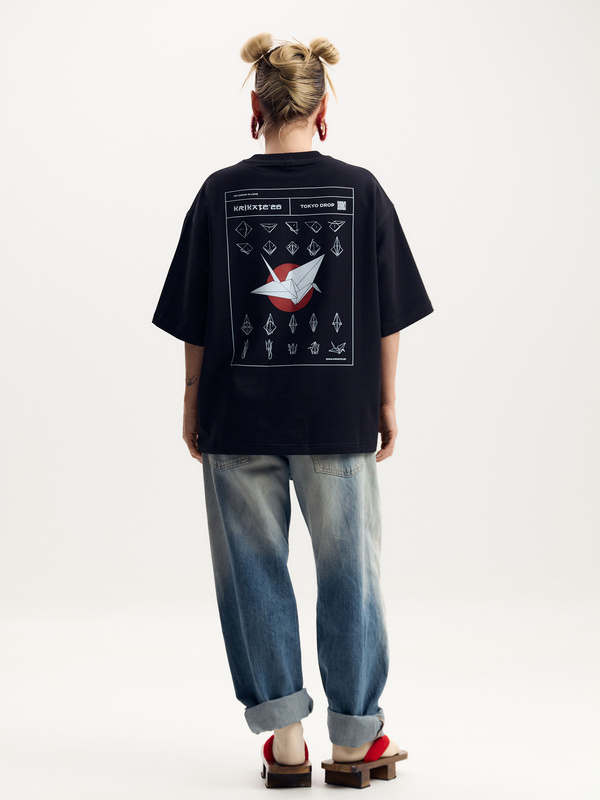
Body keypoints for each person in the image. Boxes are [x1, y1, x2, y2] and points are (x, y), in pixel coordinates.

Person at [152, 33, 434, 789]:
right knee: (351, 574)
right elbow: (389, 316)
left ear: (257, 106)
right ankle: (355, 741)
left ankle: (284, 742)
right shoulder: (361, 191)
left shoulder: (219, 193)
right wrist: (386, 399)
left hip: (236, 419)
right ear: (322, 108)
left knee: (251, 573)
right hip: (337, 417)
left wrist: (191, 398)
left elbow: (195, 315)